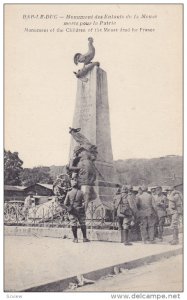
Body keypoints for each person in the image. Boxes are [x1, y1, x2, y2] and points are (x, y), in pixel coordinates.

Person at [64, 174, 89, 243]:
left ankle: (75, 239)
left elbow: (65, 203)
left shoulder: (69, 193)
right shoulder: (81, 192)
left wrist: (69, 209)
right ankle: (84, 238)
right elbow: (85, 202)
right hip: (80, 210)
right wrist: (83, 208)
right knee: (82, 223)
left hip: (73, 211)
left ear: (72, 185)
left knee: (73, 223)